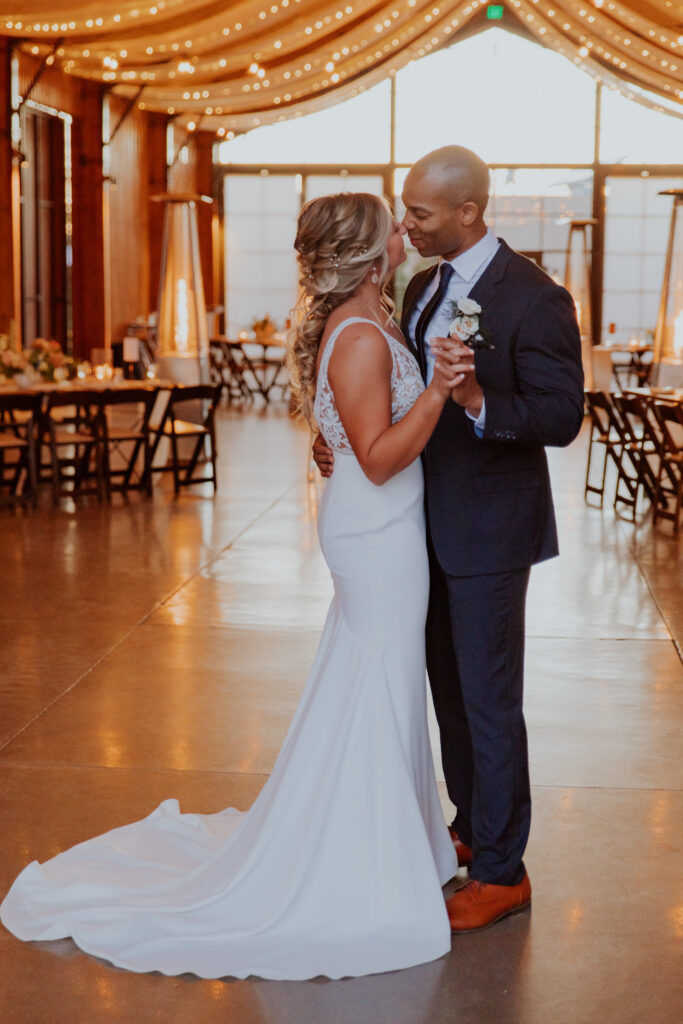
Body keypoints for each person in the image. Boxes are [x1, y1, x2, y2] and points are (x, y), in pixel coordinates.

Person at [1, 192, 469, 980]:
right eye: (391, 225)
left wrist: (342, 433)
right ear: (362, 252)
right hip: (376, 532)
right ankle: (362, 863)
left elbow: (348, 432)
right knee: (378, 677)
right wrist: (439, 388)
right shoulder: (358, 335)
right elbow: (382, 455)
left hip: (387, 526)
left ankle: (389, 841)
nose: (403, 233)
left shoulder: (375, 315)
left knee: (377, 679)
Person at [314, 146, 585, 933]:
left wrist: (472, 397)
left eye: (421, 213)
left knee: (490, 702)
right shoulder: (422, 286)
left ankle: (502, 872)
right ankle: (471, 825)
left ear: (468, 212)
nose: (407, 224)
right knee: (450, 698)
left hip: (491, 536)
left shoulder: (536, 299)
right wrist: (342, 434)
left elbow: (561, 417)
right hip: (411, 533)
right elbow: (383, 396)